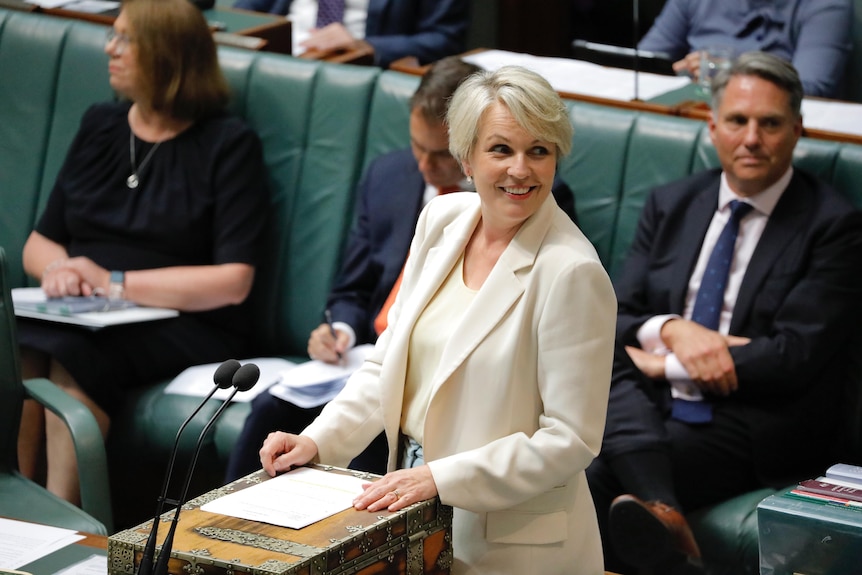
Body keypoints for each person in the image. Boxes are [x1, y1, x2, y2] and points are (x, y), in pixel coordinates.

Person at [257, 66, 616, 573]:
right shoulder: (441, 221)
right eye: (500, 150)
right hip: (406, 512)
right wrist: (318, 440)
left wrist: (441, 478)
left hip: (510, 544)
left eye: (539, 150)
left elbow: (569, 439)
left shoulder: (572, 271)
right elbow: (386, 366)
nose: (521, 169)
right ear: (465, 157)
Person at [224, 56, 579, 482]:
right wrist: (341, 331)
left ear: (463, 149)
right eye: (418, 148)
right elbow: (360, 305)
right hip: (366, 363)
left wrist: (436, 477)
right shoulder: (421, 201)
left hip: (452, 434)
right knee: (272, 416)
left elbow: (568, 434)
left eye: (440, 154)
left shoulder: (542, 223)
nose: (425, 166)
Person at [586, 51, 862, 574]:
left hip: (753, 419)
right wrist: (673, 328)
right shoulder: (672, 203)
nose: (752, 138)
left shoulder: (834, 226)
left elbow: (791, 358)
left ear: (797, 130)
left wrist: (663, 361)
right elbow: (615, 314)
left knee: (597, 473)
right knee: (596, 374)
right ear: (713, 127)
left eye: (770, 123)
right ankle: (668, 524)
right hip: (647, 403)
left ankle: (663, 529)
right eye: (737, 121)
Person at [17, 0, 269, 507]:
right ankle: (17, 506)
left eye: (125, 38)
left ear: (168, 55)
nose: (110, 48)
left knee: (75, 352)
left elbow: (233, 280)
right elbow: (39, 242)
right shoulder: (100, 125)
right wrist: (62, 271)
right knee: (20, 338)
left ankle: (67, 517)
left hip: (185, 321)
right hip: (86, 309)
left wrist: (112, 282)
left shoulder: (228, 144)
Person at [637, 0, 852, 98]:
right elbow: (642, 62)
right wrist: (677, 69)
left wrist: (729, 71)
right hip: (689, 111)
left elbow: (811, 88)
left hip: (766, 127)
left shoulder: (828, 6)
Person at [232, 0, 470, 68]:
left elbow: (445, 39)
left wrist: (368, 46)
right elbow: (244, 10)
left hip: (358, 67)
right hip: (276, 55)